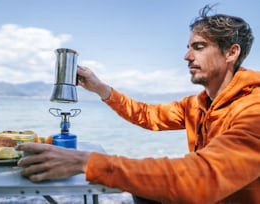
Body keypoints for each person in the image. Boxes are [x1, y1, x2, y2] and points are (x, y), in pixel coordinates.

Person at [16, 5, 260, 204]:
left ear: (231, 53)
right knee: (144, 189)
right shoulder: (196, 105)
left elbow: (202, 178)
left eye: (198, 47)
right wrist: (100, 88)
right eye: (188, 48)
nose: (186, 56)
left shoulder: (254, 110)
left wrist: (85, 162)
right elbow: (147, 115)